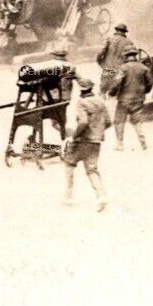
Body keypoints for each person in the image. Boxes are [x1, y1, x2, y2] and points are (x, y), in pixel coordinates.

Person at [63, 78, 110, 211]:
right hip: (96, 141)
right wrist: (97, 131)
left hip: (83, 140)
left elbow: (83, 122)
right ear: (92, 88)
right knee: (92, 170)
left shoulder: (82, 102)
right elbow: (108, 122)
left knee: (69, 164)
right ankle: (101, 196)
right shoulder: (101, 101)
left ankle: (68, 195)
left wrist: (74, 136)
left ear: (81, 90)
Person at [105, 46, 153, 150]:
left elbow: (116, 83)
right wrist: (144, 92)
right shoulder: (144, 68)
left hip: (124, 100)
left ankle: (119, 144)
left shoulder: (122, 68)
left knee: (119, 121)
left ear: (126, 55)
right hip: (138, 99)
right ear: (135, 55)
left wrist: (111, 93)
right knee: (137, 121)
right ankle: (143, 143)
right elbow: (150, 83)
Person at [95, 24, 131, 95]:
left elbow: (100, 52)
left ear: (116, 30)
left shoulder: (109, 39)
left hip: (107, 69)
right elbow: (130, 59)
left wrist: (100, 62)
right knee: (114, 94)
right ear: (124, 32)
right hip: (119, 72)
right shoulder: (129, 42)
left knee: (102, 92)